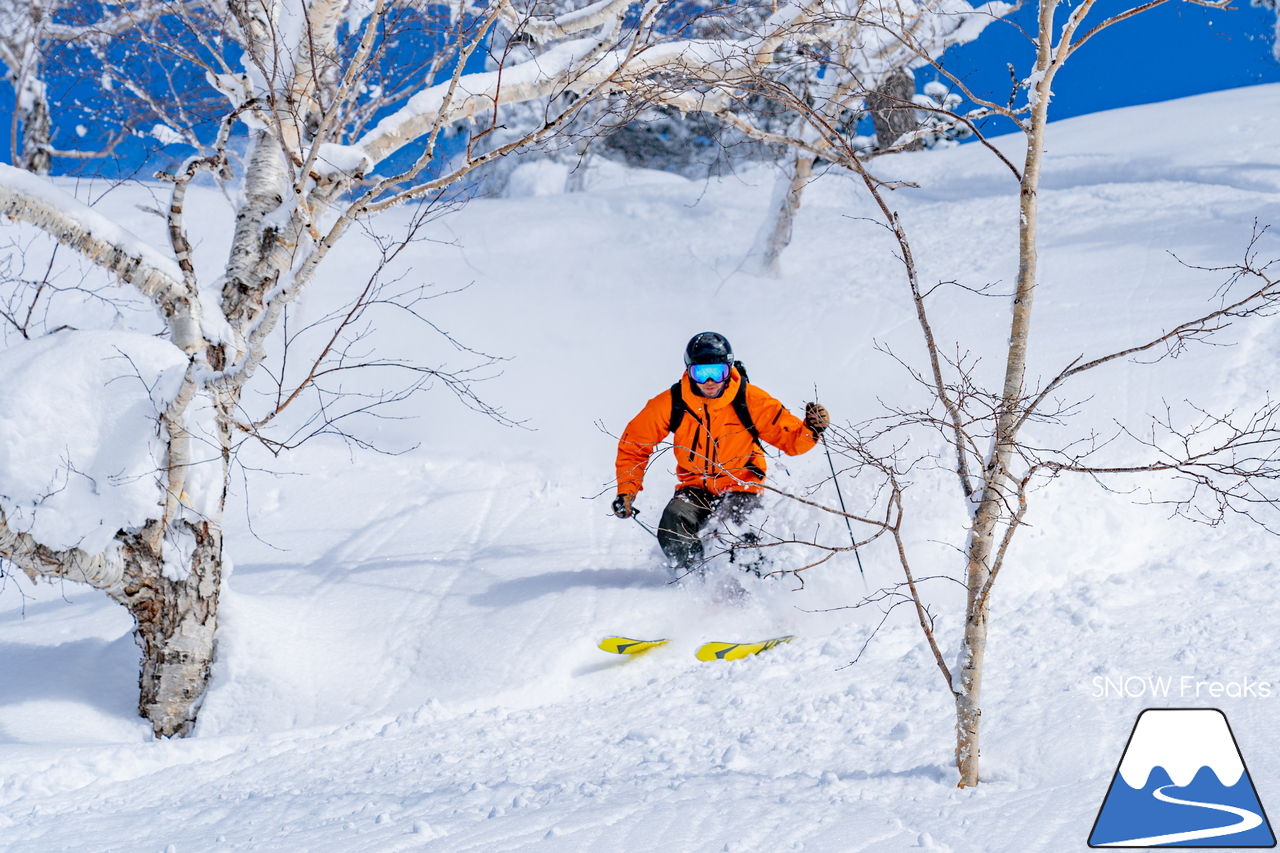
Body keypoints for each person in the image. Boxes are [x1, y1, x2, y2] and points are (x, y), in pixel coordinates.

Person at [612, 332, 829, 572]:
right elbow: (634, 447)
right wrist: (627, 492)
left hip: (741, 485)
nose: (709, 381)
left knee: (733, 529)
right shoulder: (672, 403)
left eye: (717, 372)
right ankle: (695, 577)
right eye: (700, 373)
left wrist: (811, 429)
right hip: (695, 487)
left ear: (728, 370)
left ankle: (758, 582)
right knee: (673, 523)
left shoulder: (751, 399)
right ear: (689, 372)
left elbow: (790, 441)